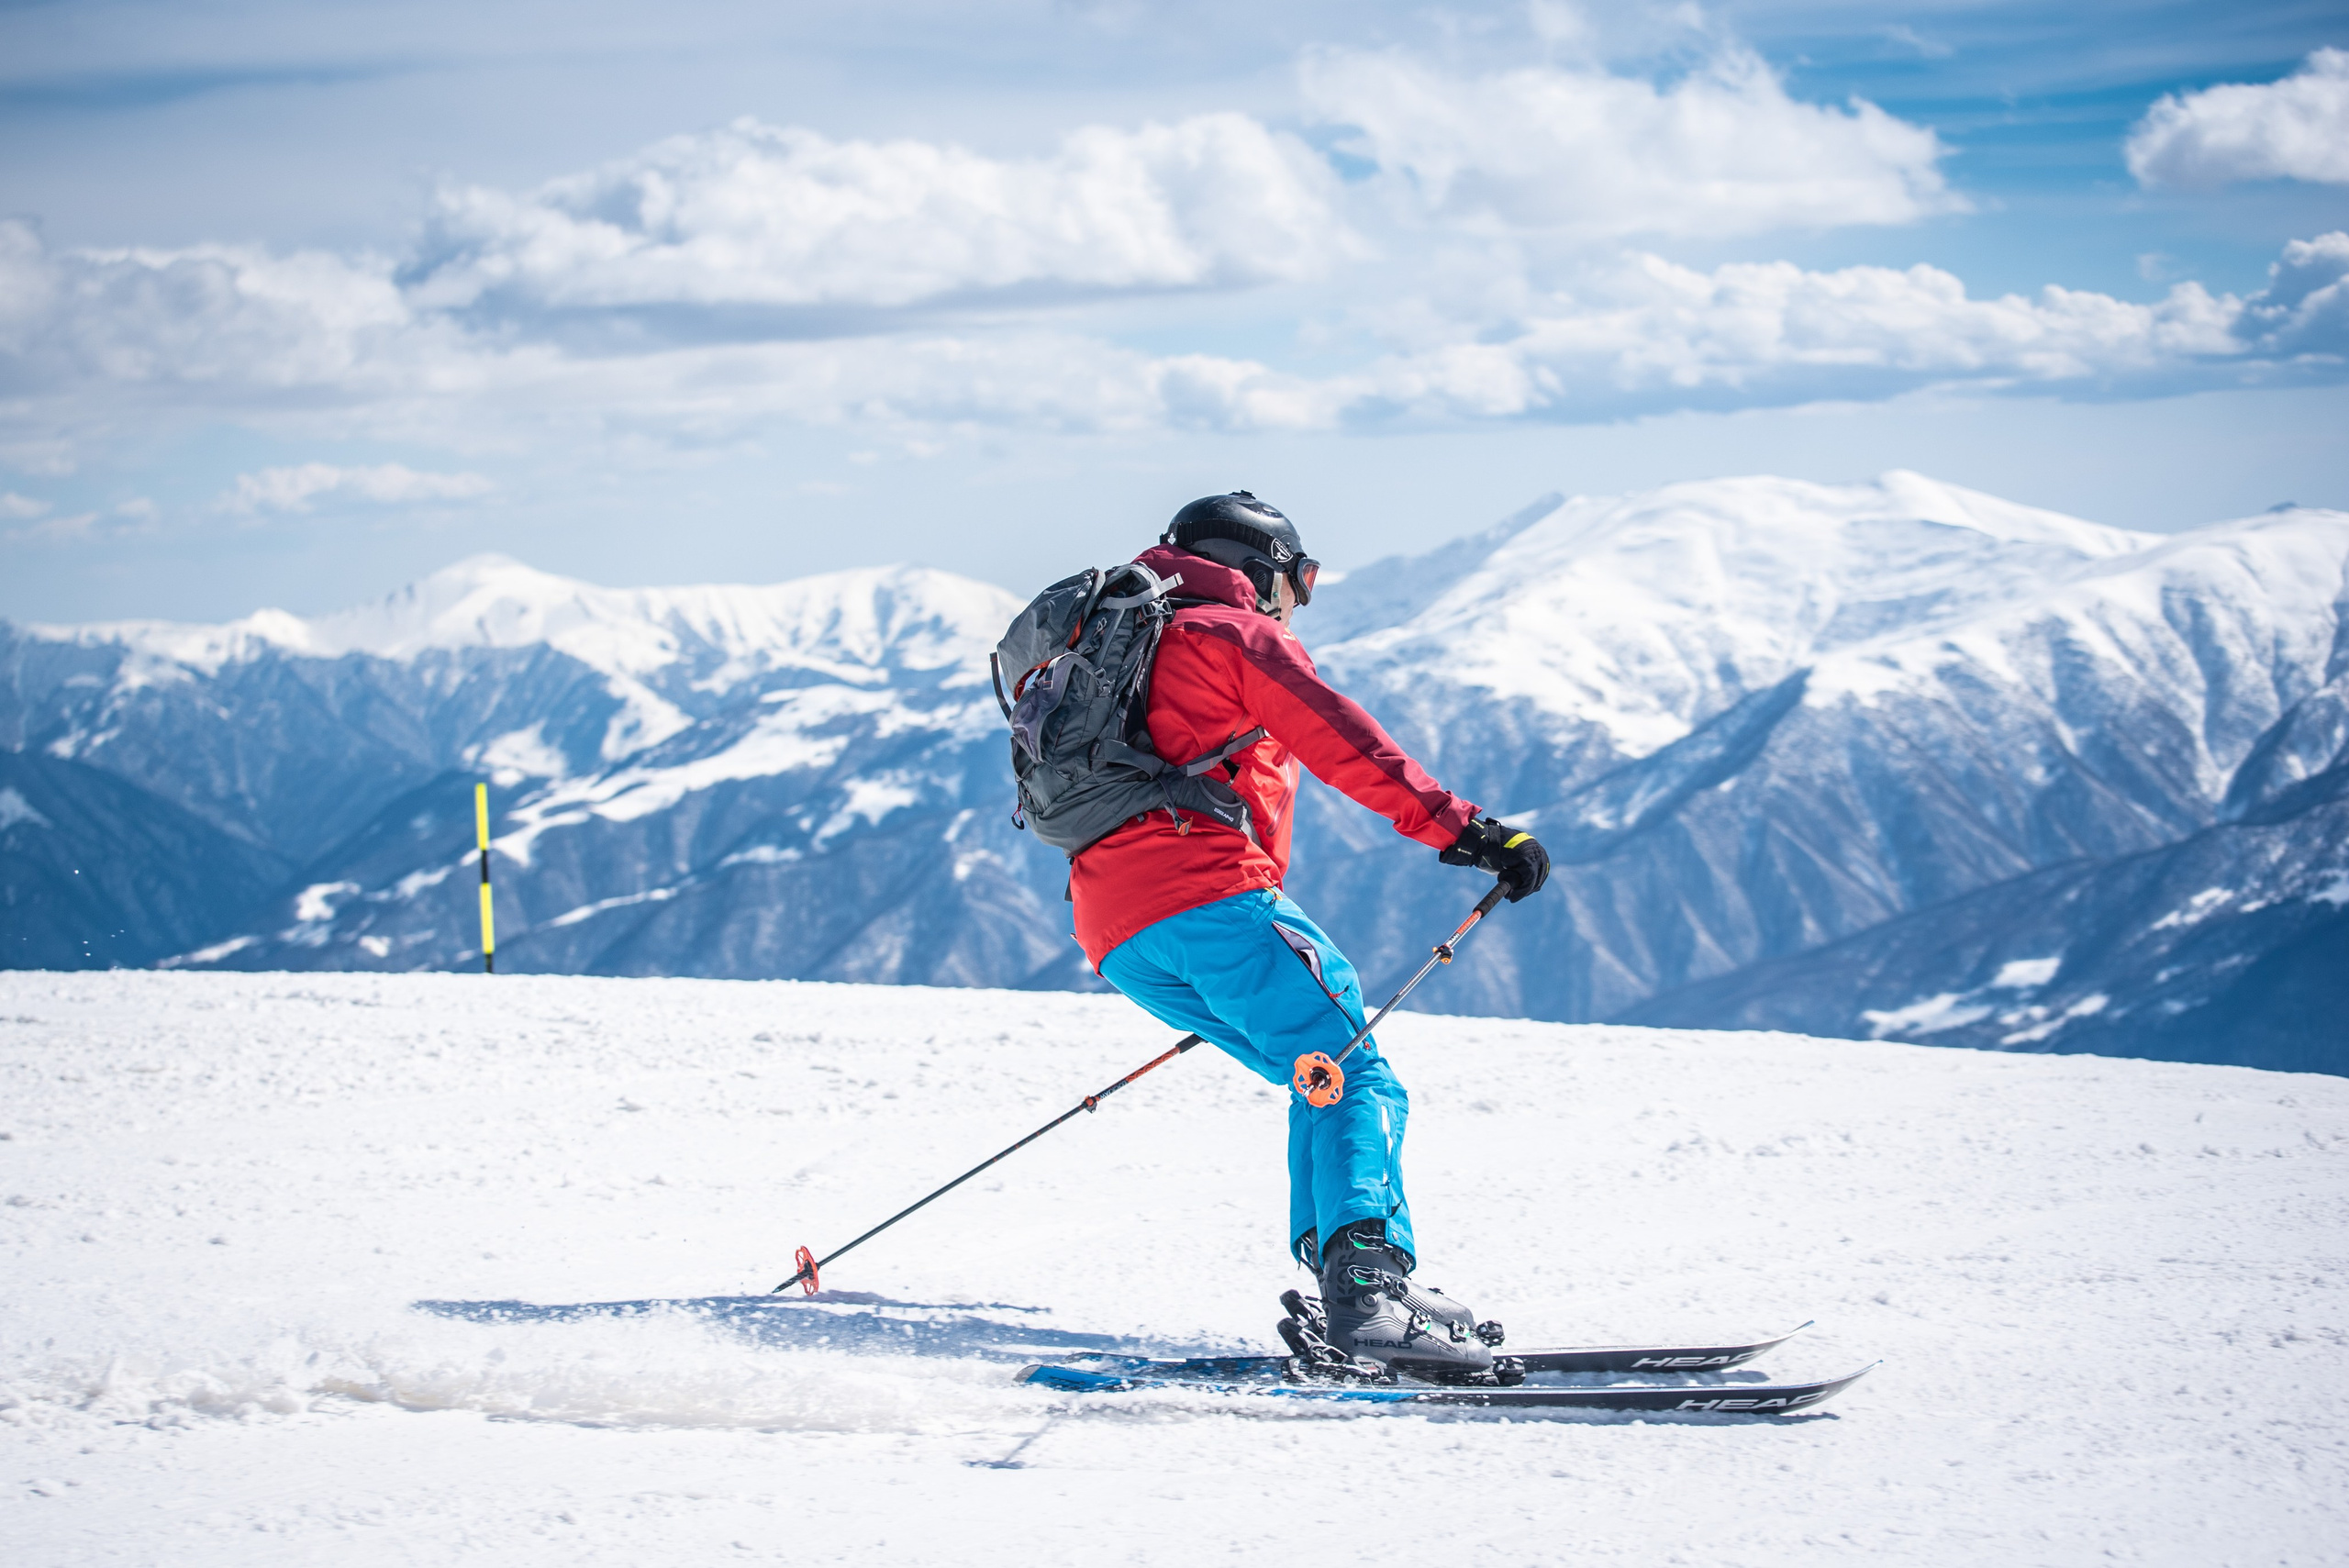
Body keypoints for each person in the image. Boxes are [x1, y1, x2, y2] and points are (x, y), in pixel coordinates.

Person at [1073, 491, 1551, 1380]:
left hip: (1116, 927)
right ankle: (1364, 1290)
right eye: (1300, 580)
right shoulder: (1226, 631)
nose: (1296, 599)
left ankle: (1353, 1273)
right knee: (1354, 1071)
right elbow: (1342, 738)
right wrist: (1467, 828)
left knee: (1318, 1074)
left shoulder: (1108, 640)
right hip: (1208, 893)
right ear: (1263, 571)